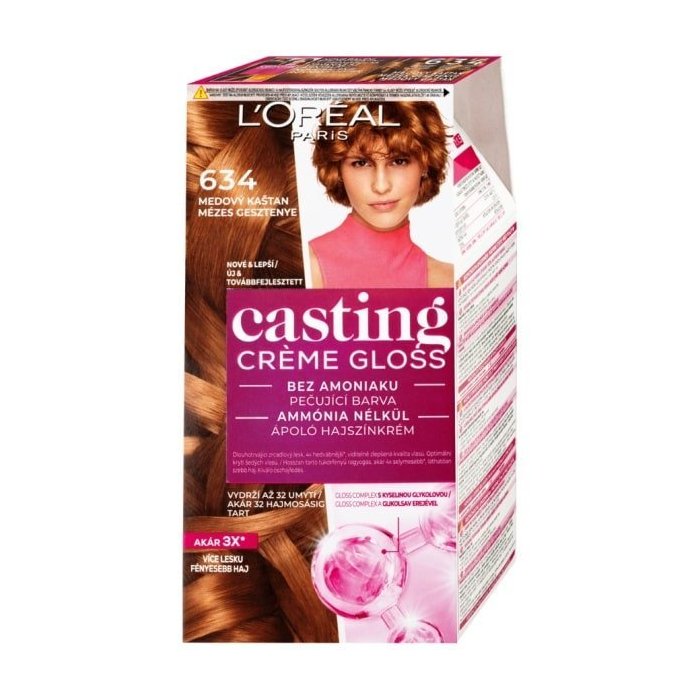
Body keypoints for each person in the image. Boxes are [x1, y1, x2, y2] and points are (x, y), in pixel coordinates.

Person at [309, 101, 453, 289]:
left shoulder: (448, 280)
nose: (381, 186)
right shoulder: (307, 269)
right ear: (338, 171)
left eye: (399, 161)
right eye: (361, 163)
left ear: (425, 165)